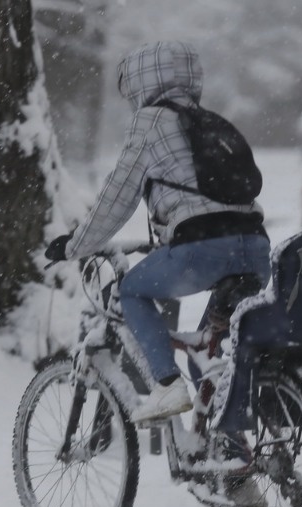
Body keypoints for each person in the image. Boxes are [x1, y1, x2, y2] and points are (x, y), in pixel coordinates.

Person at [45, 41, 271, 428]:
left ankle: (166, 385)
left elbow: (117, 196)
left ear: (137, 81)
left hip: (202, 251)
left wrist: (76, 244)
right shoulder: (205, 121)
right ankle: (230, 466)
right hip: (255, 248)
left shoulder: (151, 120)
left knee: (131, 289)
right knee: (210, 360)